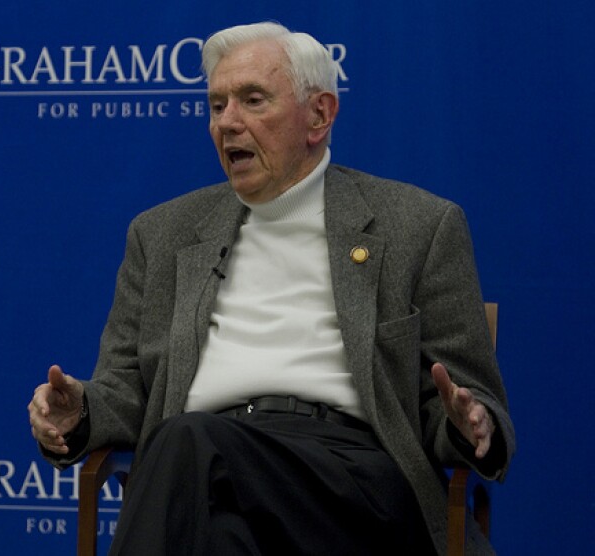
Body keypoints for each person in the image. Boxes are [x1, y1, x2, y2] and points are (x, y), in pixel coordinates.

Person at [28, 21, 514, 556]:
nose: (227, 123)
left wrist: (472, 424)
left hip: (350, 481)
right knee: (219, 530)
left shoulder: (417, 226)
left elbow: (466, 400)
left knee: (183, 445)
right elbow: (125, 390)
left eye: (252, 100)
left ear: (319, 115)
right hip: (205, 477)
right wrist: (82, 414)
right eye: (216, 106)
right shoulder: (162, 234)